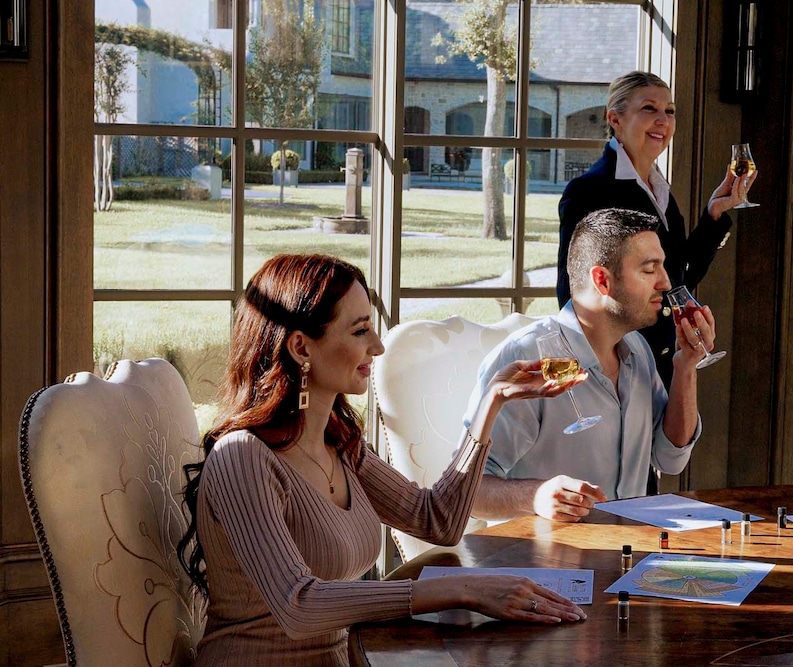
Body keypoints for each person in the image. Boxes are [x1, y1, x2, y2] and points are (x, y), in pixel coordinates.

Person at [176, 254, 587, 666]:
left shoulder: (340, 445)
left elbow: (437, 521)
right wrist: (461, 589)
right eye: (360, 331)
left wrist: (491, 403)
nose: (378, 346)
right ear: (301, 346)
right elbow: (298, 605)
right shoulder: (243, 457)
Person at [466, 208, 713, 522]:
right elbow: (467, 494)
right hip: (545, 552)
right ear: (602, 280)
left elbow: (670, 458)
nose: (665, 282)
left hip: (628, 545)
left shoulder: (638, 350)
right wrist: (536, 496)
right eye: (650, 269)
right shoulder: (527, 360)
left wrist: (686, 366)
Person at [557, 70, 756, 385]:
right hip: (618, 370)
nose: (663, 120)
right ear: (615, 119)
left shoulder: (659, 190)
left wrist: (714, 213)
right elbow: (572, 293)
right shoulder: (590, 190)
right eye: (649, 108)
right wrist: (606, 370)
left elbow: (677, 277)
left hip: (664, 366)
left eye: (670, 111)